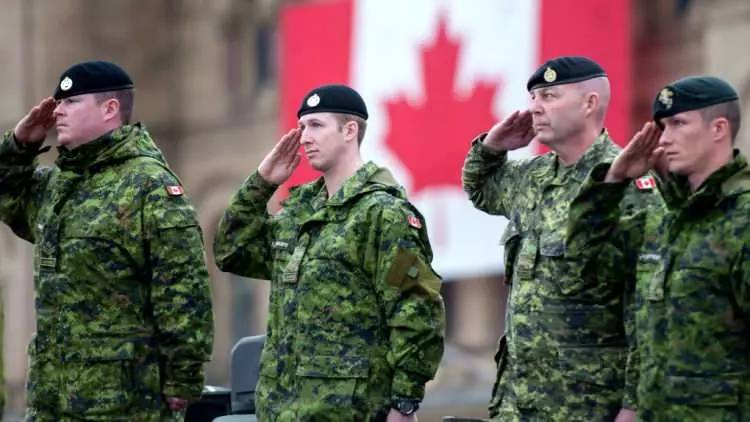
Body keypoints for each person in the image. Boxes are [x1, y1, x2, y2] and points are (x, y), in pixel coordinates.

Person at [214, 84, 445, 421]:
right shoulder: (298, 211)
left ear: (350, 130)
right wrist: (262, 182)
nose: (304, 137)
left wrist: (405, 401)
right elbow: (231, 250)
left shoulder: (384, 213)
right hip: (281, 408)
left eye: (316, 126)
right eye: (302, 126)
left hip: (350, 409)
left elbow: (418, 307)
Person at [0, 60, 214, 420]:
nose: (58, 112)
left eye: (71, 102)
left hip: (123, 401)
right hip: (54, 396)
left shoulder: (148, 185)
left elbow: (183, 290)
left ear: (110, 108)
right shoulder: (56, 184)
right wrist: (19, 145)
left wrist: (182, 379)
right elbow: (6, 195)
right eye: (57, 103)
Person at [462, 56, 658, 421]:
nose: (535, 107)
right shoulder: (531, 177)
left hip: (586, 403)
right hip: (518, 402)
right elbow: (479, 188)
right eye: (534, 96)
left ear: (589, 103)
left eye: (549, 96)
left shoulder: (626, 181)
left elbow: (645, 306)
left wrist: (633, 406)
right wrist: (492, 147)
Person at [567, 75, 750, 419]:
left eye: (679, 124)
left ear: (718, 129)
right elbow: (585, 262)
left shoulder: (742, 218)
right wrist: (612, 181)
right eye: (662, 126)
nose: (665, 139)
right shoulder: (666, 219)